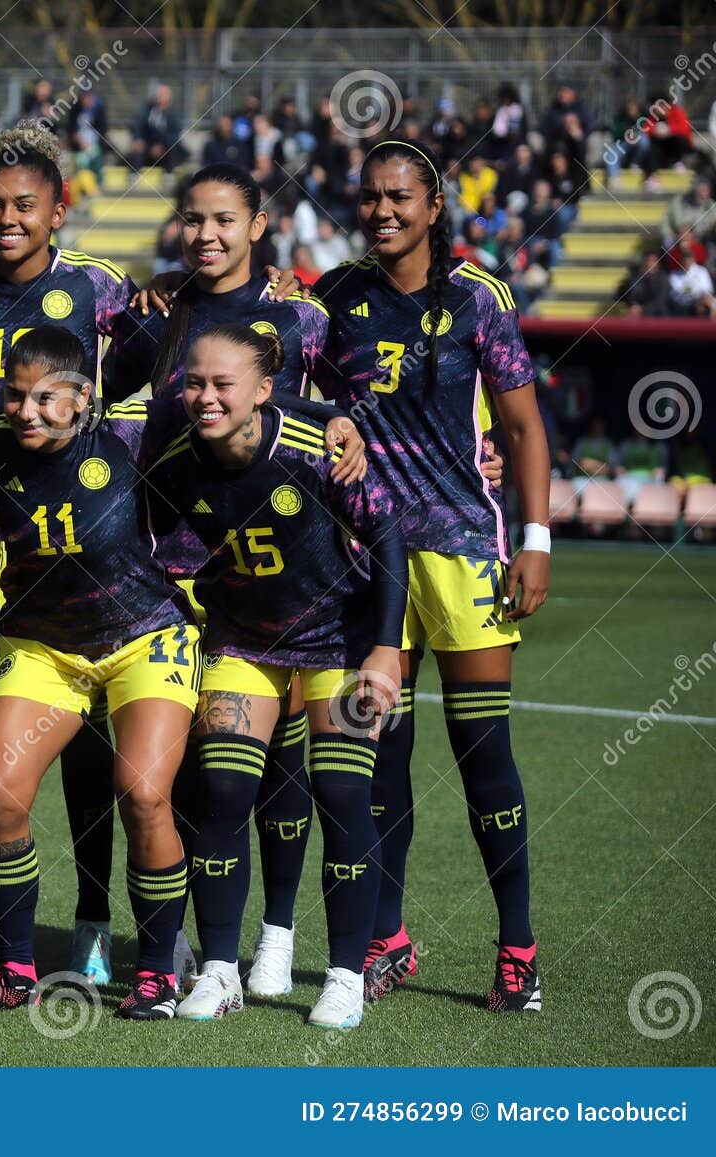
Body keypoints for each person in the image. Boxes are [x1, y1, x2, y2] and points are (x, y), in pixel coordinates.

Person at [313, 140, 551, 1013]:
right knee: (373, 758)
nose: (382, 211)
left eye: (399, 196)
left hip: (463, 554)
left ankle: (518, 946)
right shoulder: (331, 298)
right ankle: (387, 939)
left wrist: (536, 540)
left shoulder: (478, 299)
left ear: (434, 202)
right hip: (364, 559)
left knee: (486, 758)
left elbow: (522, 428)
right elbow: (271, 362)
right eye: (370, 197)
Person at [0, 122, 142, 986]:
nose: (8, 218)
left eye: (26, 205)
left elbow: (149, 364)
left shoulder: (97, 285)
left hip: (79, 546)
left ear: (59, 209)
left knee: (91, 754)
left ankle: (91, 919)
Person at [145, 323, 406, 1028]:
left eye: (222, 384)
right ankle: (222, 969)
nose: (205, 396)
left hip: (342, 640)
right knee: (224, 790)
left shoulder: (317, 450)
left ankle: (346, 975)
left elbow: (387, 537)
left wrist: (387, 648)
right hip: (242, 640)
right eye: (194, 382)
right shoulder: (173, 461)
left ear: (264, 391)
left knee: (344, 794)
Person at [0, 327, 195, 1021]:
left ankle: (158, 970)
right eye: (16, 395)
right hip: (44, 645)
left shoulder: (132, 431)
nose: (27, 411)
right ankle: (17, 965)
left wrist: (337, 418)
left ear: (83, 397)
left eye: (46, 397)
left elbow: (228, 406)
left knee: (143, 793)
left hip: (144, 637)